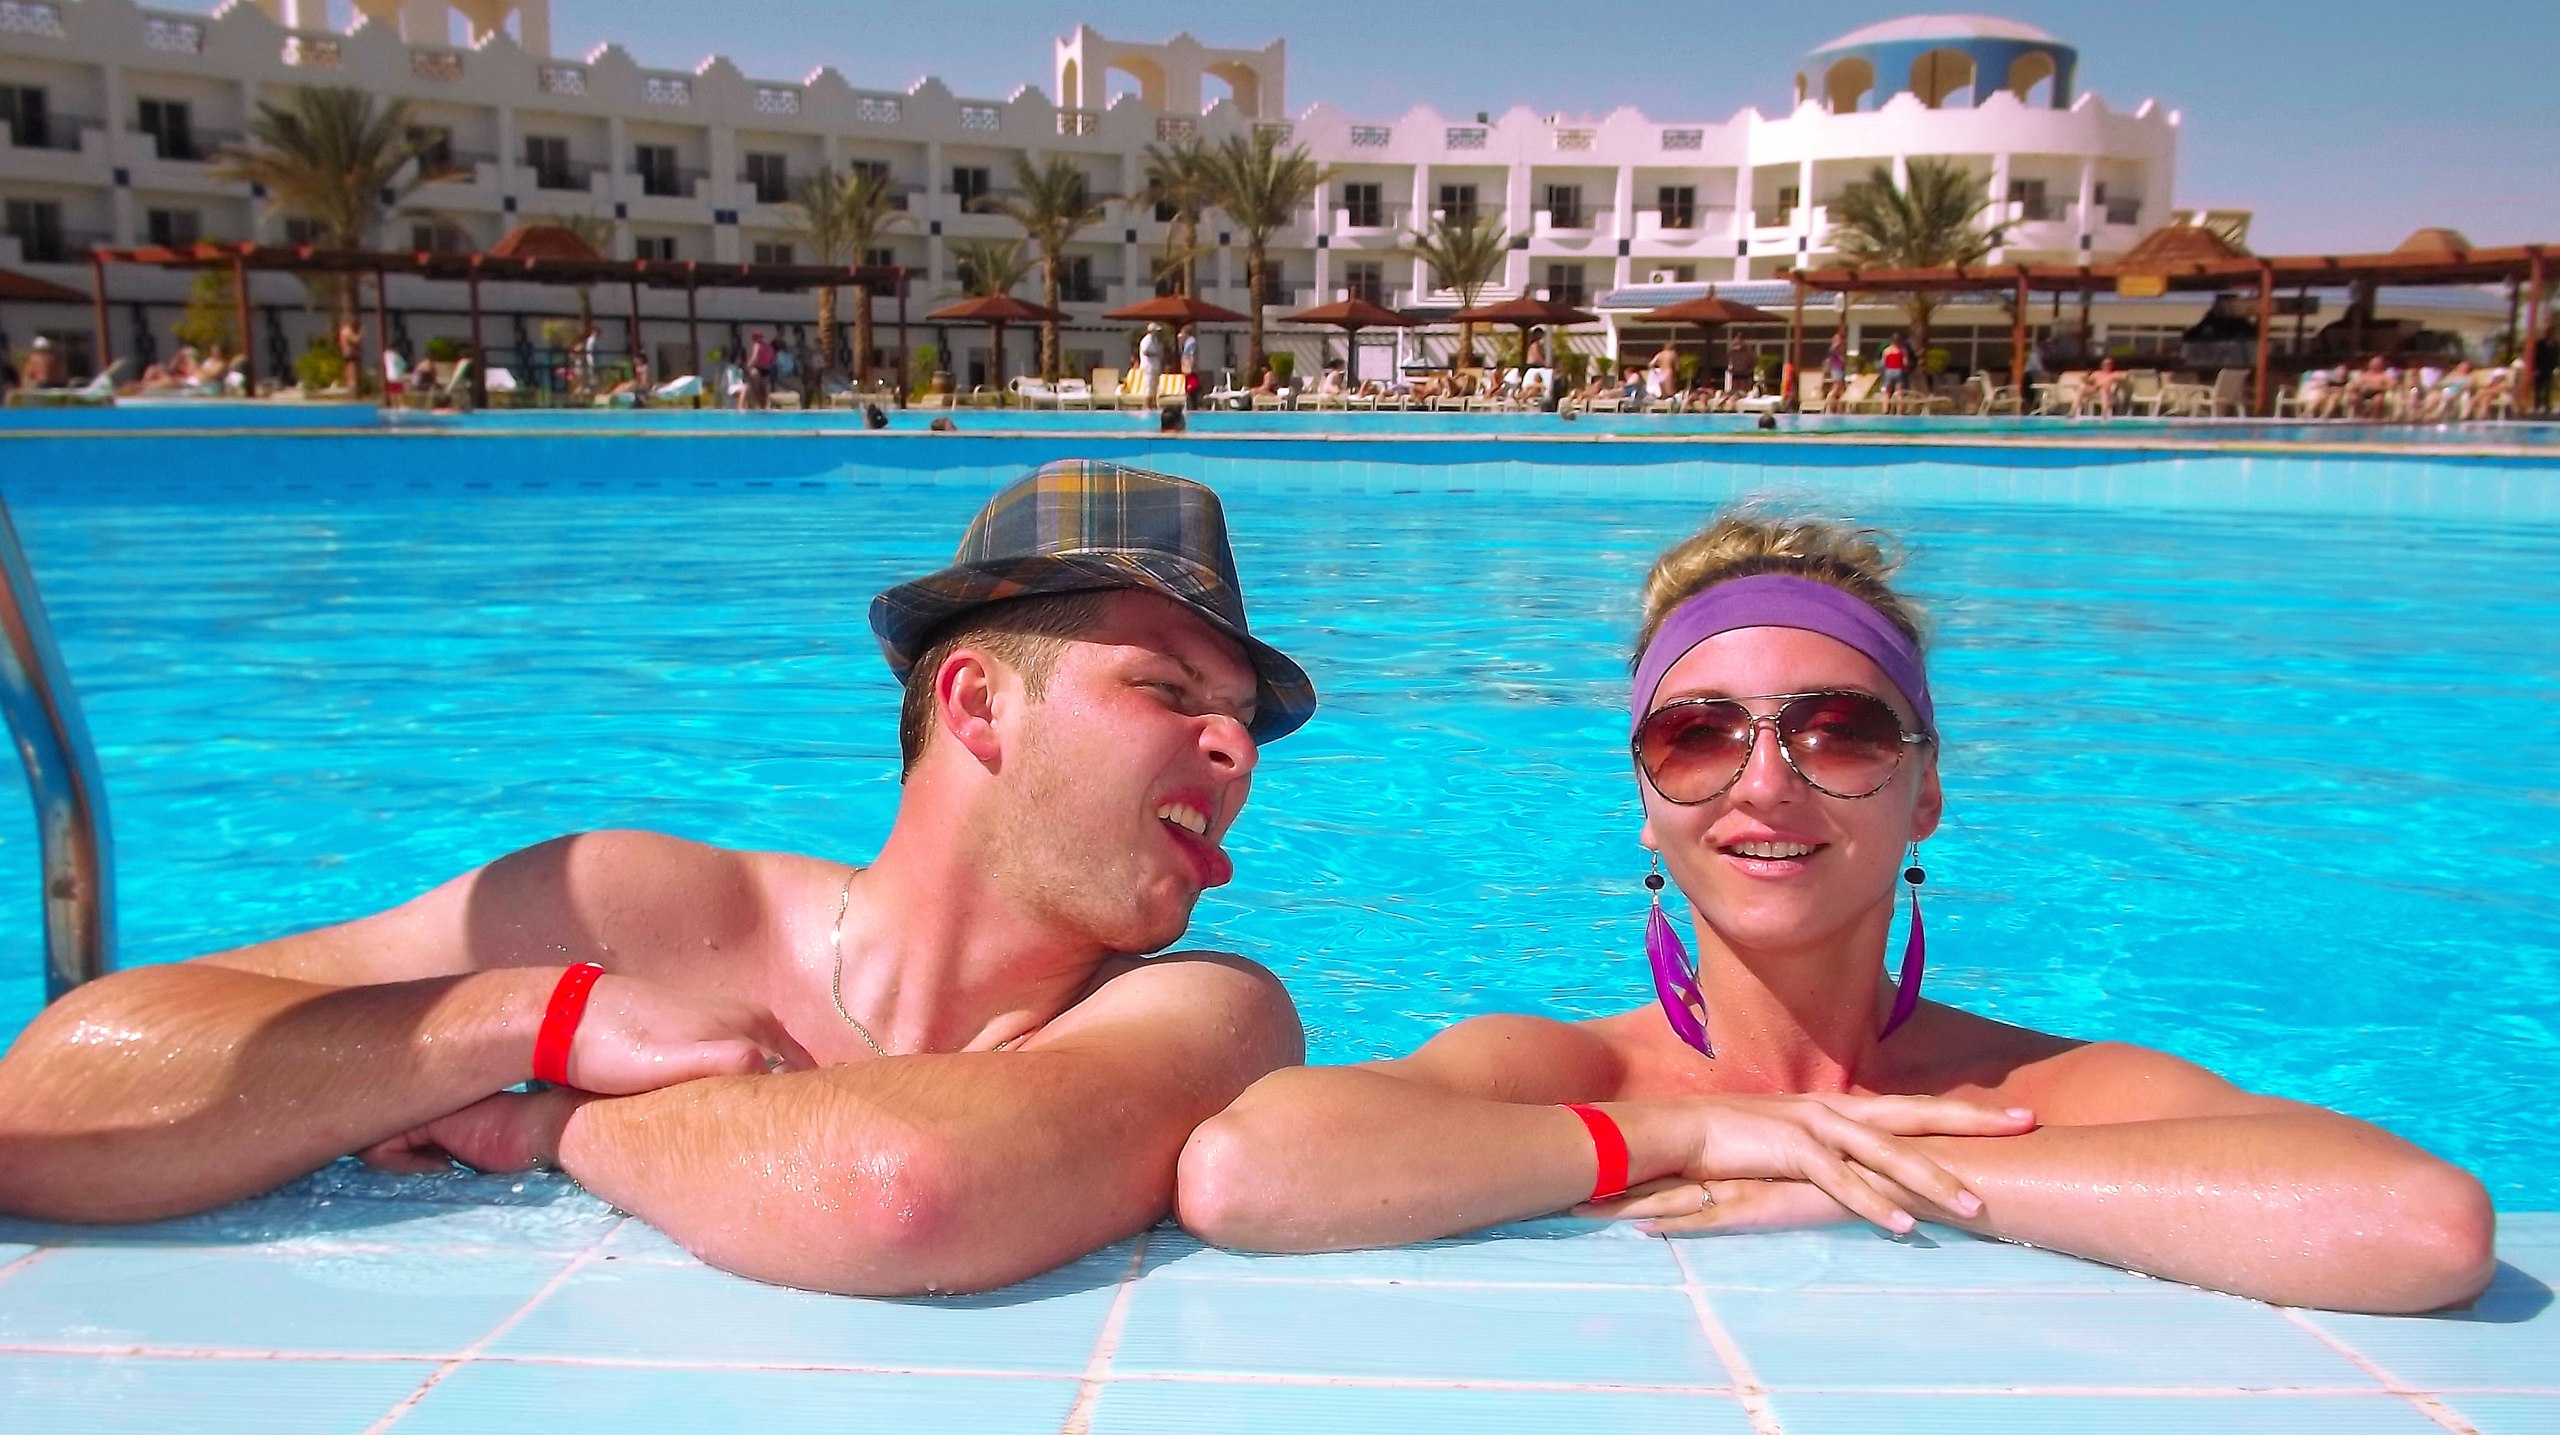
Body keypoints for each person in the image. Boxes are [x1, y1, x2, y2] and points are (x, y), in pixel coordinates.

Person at [0, 461, 1316, 1299]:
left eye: (1242, 719)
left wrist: (550, 1124)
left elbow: (902, 1188)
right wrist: (533, 1013)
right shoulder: (639, 909)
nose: (1235, 748)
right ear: (977, 704)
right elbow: (47, 1100)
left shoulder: (1203, 1010)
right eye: (1169, 689)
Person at [1176, 504, 2495, 1315]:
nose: (1765, 781)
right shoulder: (1579, 1072)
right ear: (1646, 801)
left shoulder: (2028, 1093)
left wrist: (1859, 1168)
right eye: (1698, 734)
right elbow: (1250, 1171)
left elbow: (2417, 1224)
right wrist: (1701, 1129)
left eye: (1840, 729)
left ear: (1926, 792)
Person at [1138, 322, 1167, 406]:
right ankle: (1146, 405)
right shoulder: (1147, 340)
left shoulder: (1155, 340)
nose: (1157, 333)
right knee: (1149, 387)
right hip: (1149, 367)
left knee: (1154, 387)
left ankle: (1152, 405)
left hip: (1154, 367)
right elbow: (1145, 351)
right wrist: (1156, 354)